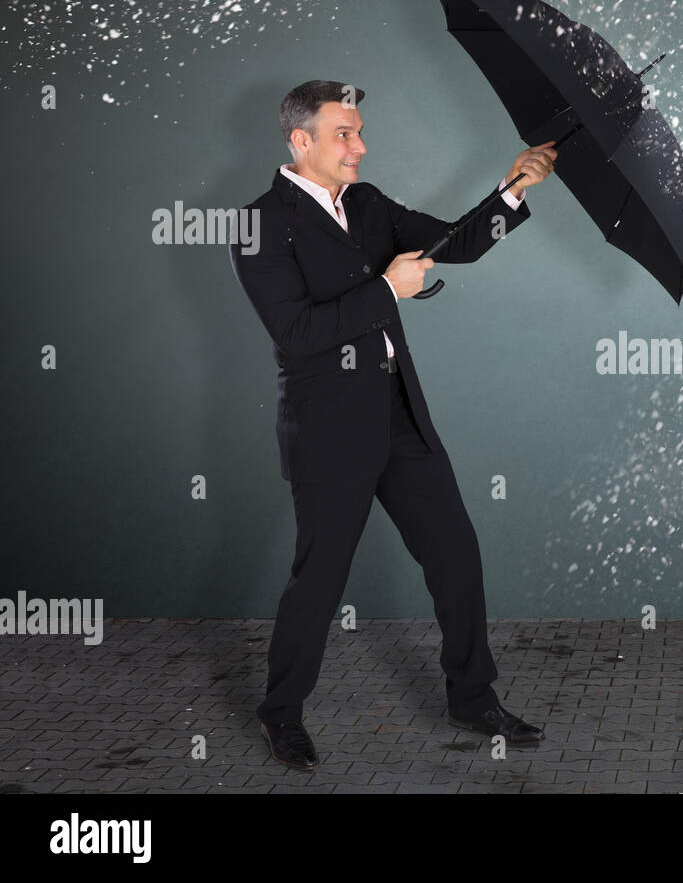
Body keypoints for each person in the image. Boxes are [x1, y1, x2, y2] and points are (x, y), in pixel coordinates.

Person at [229, 79, 557, 770]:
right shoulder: (260, 223)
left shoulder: (370, 204)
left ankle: (472, 698)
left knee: (456, 554)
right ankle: (280, 712)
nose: (360, 145)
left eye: (358, 131)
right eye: (344, 133)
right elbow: (295, 331)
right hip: (328, 428)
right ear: (301, 140)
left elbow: (454, 245)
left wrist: (513, 190)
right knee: (320, 578)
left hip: (398, 412)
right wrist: (385, 289)